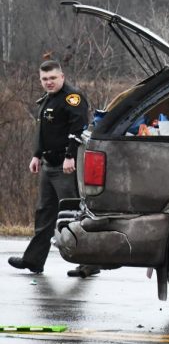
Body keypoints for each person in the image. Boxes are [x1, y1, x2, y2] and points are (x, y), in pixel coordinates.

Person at [8, 60, 100, 278]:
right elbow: (44, 131)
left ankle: (88, 263)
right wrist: (36, 155)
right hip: (49, 165)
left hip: (65, 166)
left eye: (52, 78)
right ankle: (34, 260)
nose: (48, 82)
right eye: (44, 79)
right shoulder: (49, 99)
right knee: (44, 213)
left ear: (62, 76)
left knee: (72, 216)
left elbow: (78, 129)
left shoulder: (72, 98)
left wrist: (70, 156)